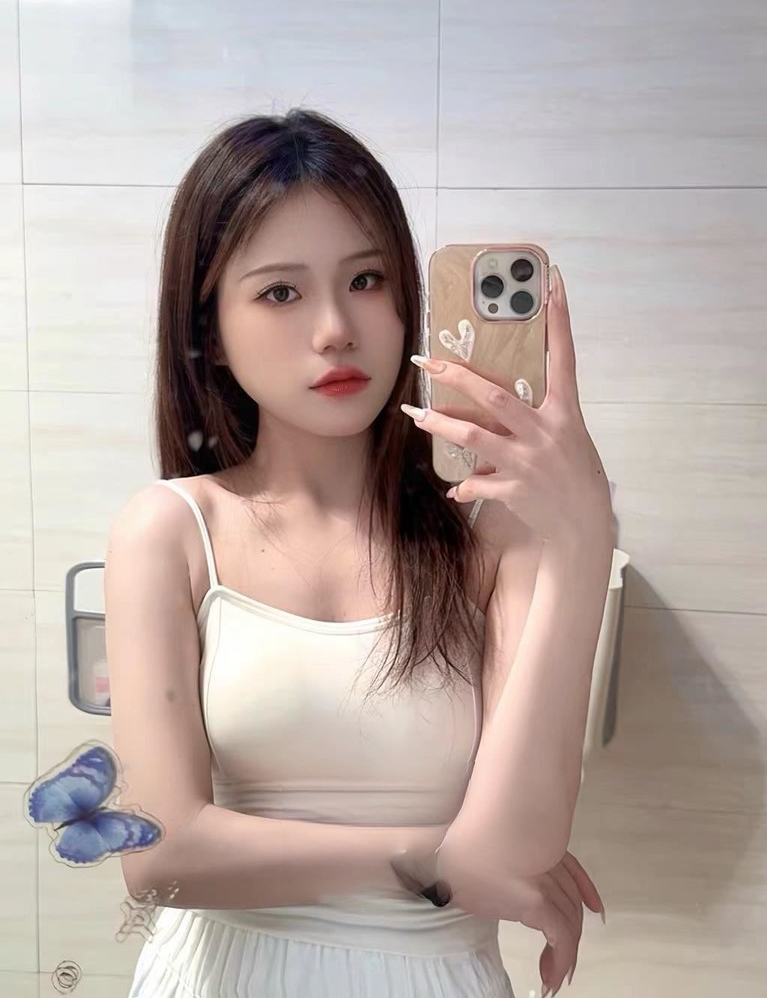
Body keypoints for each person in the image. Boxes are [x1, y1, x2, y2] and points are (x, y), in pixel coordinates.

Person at [105, 108, 542, 997]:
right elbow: (159, 859)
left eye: (367, 279)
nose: (336, 328)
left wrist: (575, 523)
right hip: (221, 974)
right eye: (281, 293)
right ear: (210, 331)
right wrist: (426, 857)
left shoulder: (490, 539)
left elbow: (525, 841)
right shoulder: (170, 531)